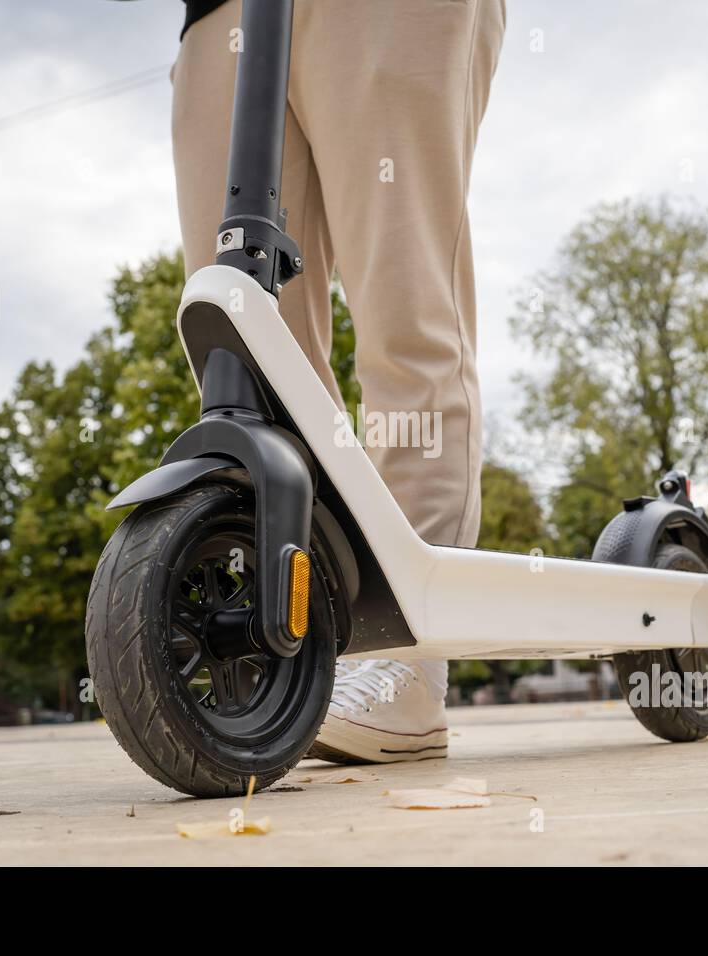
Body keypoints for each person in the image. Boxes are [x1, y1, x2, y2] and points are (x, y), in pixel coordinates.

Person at [172, 0, 506, 762]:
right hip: (218, 17)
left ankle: (406, 658)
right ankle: (307, 636)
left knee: (406, 305)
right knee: (254, 340)